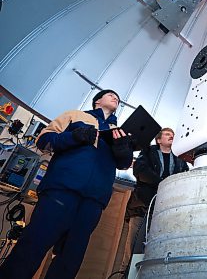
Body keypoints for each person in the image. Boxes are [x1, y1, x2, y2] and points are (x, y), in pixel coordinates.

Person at [0, 89, 133, 279]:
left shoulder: (118, 132)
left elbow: (124, 164)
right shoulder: (75, 115)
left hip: (94, 200)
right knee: (32, 246)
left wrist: (123, 148)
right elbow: (44, 140)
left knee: (70, 260)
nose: (116, 98)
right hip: (62, 190)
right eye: (110, 94)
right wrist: (74, 136)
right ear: (97, 101)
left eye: (118, 98)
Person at [118, 127, 189, 273]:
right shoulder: (148, 152)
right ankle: (126, 273)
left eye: (173, 135)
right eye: (168, 134)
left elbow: (184, 179)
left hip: (165, 211)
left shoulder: (181, 160)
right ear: (158, 140)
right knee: (133, 247)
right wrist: (163, 183)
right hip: (142, 207)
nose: (171, 136)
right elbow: (140, 170)